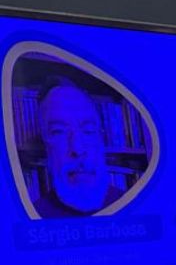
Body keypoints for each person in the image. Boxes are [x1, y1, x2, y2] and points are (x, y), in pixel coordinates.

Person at [32, 80, 123, 218]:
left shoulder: (137, 206)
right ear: (45, 145)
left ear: (101, 139)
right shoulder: (33, 218)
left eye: (88, 130)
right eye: (58, 132)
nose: (77, 148)